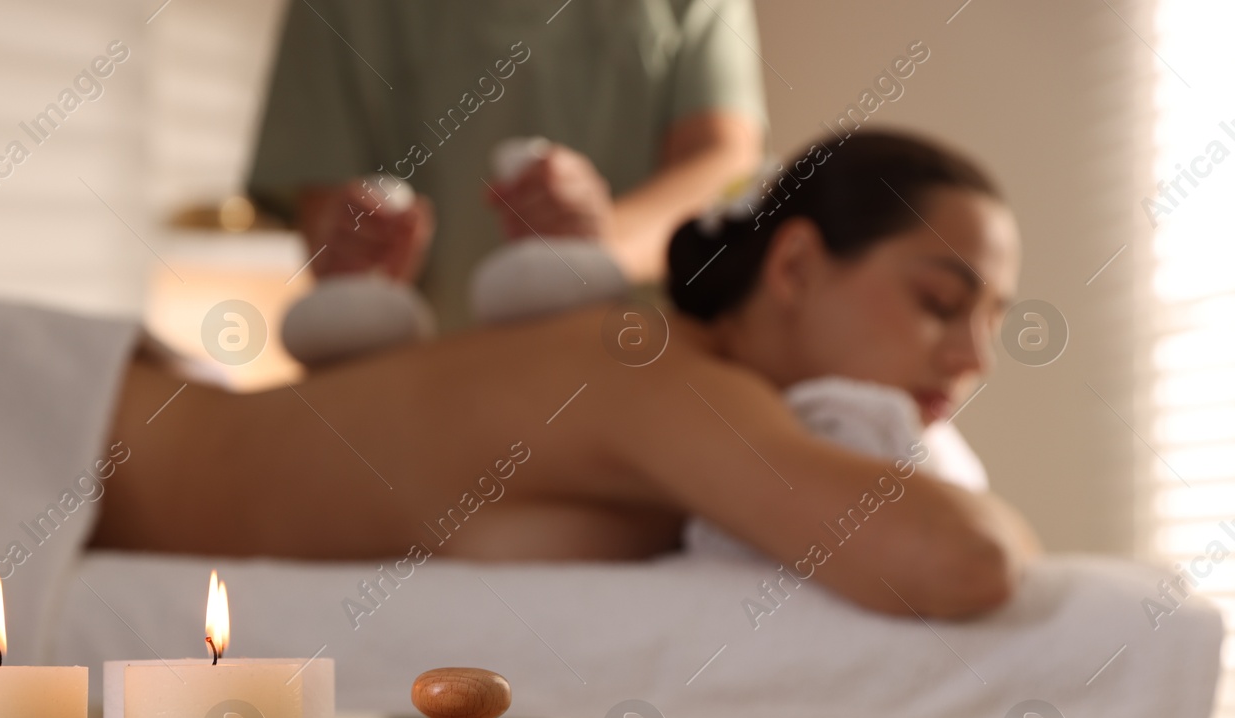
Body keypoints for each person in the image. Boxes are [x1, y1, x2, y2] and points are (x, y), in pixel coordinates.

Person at [96, 131, 1037, 618]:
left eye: (993, 321)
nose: (974, 359)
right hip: (68, 425)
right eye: (940, 302)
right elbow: (962, 560)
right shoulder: (665, 378)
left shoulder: (666, 387)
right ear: (792, 267)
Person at [245, 0, 767, 331]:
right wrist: (359, 258)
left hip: (636, 382)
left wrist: (599, 242)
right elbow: (324, 213)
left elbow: (724, 162)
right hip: (426, 404)